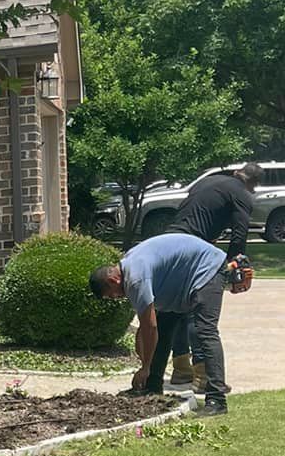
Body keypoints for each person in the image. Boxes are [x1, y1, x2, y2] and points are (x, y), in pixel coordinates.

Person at [89, 231, 230, 415]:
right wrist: (143, 367)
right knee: (163, 328)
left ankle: (217, 399)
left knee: (205, 331)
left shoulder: (135, 278)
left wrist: (145, 367)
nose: (116, 298)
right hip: (181, 284)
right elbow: (144, 328)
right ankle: (152, 387)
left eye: (112, 295)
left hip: (207, 269)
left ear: (113, 280)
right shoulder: (130, 268)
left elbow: (150, 327)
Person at [159, 163, 261, 386]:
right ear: (252, 184)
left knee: (178, 308)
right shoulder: (242, 194)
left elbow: (194, 212)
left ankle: (181, 370)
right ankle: (204, 377)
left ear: (237, 173)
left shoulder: (208, 182)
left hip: (171, 241)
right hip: (194, 247)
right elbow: (239, 234)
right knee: (200, 310)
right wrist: (234, 262)